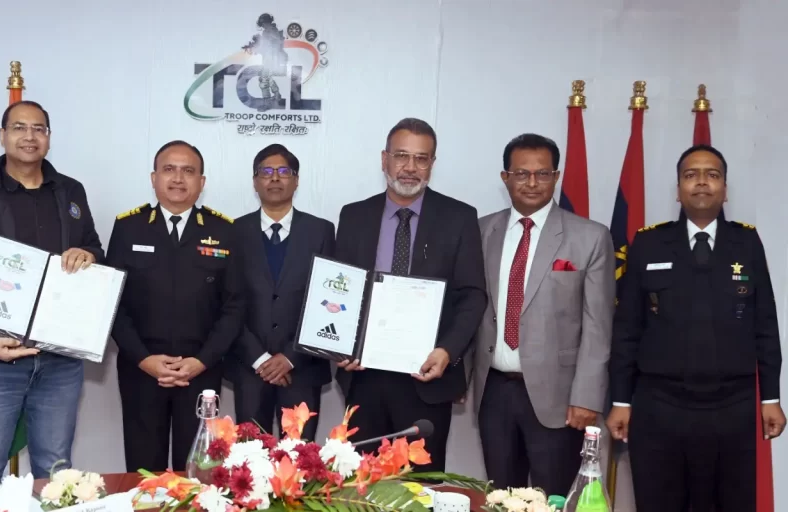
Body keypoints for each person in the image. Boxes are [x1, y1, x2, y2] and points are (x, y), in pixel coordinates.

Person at [0, 100, 105, 489]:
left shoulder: (70, 191)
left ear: (49, 137)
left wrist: (89, 255)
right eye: (19, 127)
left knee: (57, 472)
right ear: (2, 135)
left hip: (59, 360)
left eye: (38, 128)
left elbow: (94, 248)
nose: (29, 136)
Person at [606, 144, 786, 511]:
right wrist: (621, 400)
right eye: (691, 175)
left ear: (724, 189)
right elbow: (627, 330)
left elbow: (765, 325)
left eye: (712, 175)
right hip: (660, 404)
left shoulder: (746, 242)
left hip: (732, 406)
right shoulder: (649, 243)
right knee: (659, 502)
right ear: (678, 190)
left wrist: (771, 398)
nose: (701, 182)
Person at [334, 118, 487, 470]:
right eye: (401, 156)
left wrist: (447, 351)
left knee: (421, 486)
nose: (410, 167)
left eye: (421, 158)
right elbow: (341, 288)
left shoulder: (459, 217)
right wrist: (340, 343)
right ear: (384, 159)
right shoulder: (354, 215)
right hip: (364, 376)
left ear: (432, 164)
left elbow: (472, 294)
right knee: (361, 484)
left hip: (427, 377)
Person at [471, 134, 614, 496]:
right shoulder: (481, 231)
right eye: (522, 173)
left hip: (560, 398)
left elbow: (598, 326)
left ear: (556, 176)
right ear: (505, 177)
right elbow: (468, 306)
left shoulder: (590, 237)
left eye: (543, 173)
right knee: (501, 498)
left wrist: (587, 397)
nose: (532, 183)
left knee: (554, 499)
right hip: (494, 392)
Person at [105, 140, 243, 472]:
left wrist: (202, 360)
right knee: (143, 469)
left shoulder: (224, 230)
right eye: (169, 169)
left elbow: (234, 305)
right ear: (154, 178)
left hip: (201, 370)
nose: (178, 178)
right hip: (142, 369)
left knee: (197, 470)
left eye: (188, 171)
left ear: (202, 182)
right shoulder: (128, 227)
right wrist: (143, 359)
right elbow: (113, 302)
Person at [227, 144, 335, 441]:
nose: (275, 178)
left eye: (284, 171)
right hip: (250, 367)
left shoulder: (321, 231)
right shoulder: (233, 232)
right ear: (255, 181)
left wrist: (289, 357)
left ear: (296, 180)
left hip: (302, 367)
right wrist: (259, 358)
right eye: (266, 171)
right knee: (249, 459)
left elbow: (327, 302)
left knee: (301, 460)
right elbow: (227, 303)